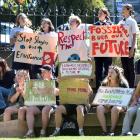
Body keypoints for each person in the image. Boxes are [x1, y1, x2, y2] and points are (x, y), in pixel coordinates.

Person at [24, 65, 59, 137]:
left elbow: (57, 92)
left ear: (50, 72)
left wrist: (48, 86)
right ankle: (31, 132)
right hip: (40, 104)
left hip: (52, 104)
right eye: (41, 72)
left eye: (44, 72)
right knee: (30, 110)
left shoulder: (55, 81)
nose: (42, 74)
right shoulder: (38, 82)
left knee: (45, 109)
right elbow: (33, 94)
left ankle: (43, 131)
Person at [96, 65, 129, 136]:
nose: (109, 74)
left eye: (112, 72)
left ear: (117, 74)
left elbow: (125, 100)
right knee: (99, 108)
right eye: (109, 72)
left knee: (115, 108)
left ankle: (112, 131)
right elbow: (100, 99)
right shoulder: (104, 84)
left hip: (120, 105)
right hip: (107, 105)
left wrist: (114, 103)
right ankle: (104, 131)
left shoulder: (123, 84)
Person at [118, 4, 139, 88]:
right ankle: (126, 87)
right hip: (122, 47)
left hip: (130, 46)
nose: (122, 10)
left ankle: (131, 87)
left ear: (129, 10)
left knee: (130, 68)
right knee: (125, 68)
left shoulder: (132, 21)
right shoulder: (121, 22)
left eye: (124, 9)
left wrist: (132, 49)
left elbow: (134, 35)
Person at [94, 8, 112, 90]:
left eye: (100, 13)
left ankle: (107, 88)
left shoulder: (110, 25)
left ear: (105, 14)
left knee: (107, 70)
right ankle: (98, 89)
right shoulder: (95, 25)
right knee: (98, 71)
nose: (99, 15)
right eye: (98, 13)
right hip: (97, 52)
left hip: (108, 51)